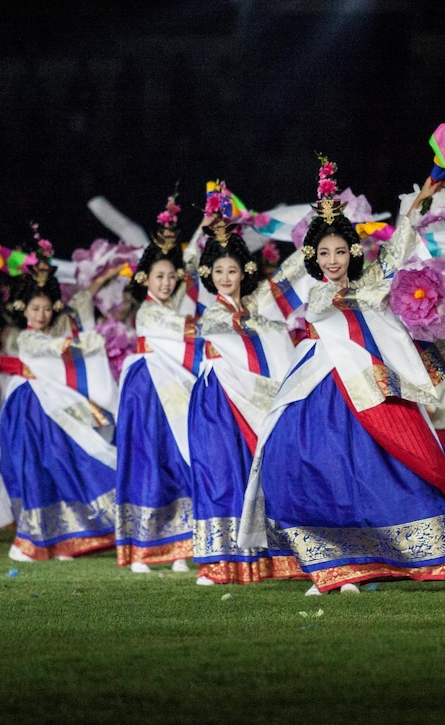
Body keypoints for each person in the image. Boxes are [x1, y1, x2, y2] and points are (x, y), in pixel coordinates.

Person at [242, 166, 445, 595]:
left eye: (339, 251)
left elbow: (394, 255)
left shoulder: (370, 281)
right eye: (323, 254)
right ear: (313, 259)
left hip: (363, 386)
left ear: (352, 252)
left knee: (371, 471)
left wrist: (412, 213)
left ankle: (361, 561)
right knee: (291, 459)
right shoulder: (317, 292)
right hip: (315, 381)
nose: (332, 260)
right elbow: (300, 295)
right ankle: (329, 560)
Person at [187, 200, 301, 586]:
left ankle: (267, 558)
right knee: (218, 475)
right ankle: (219, 563)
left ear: (244, 271)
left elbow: (292, 275)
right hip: (217, 400)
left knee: (256, 473)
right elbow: (178, 272)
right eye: (217, 270)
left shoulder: (259, 305)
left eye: (231, 269)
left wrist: (315, 231)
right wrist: (199, 230)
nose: (224, 276)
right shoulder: (210, 309)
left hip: (254, 399)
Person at [0, 236, 120, 561]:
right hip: (28, 408)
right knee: (32, 468)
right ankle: (35, 539)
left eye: (45, 308)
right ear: (24, 308)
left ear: (53, 308)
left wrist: (104, 279)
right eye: (34, 308)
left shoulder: (59, 327)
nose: (40, 313)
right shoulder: (24, 336)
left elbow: (82, 302)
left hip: (55, 408)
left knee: (62, 464)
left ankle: (70, 538)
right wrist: (63, 347)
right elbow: (42, 347)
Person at [114, 194, 198, 573]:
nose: (165, 283)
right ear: (145, 278)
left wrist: (202, 231)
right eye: (158, 276)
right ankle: (141, 549)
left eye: (171, 277)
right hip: (146, 391)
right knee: (147, 464)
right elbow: (185, 331)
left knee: (177, 462)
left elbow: (193, 263)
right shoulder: (150, 311)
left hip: (175, 389)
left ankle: (180, 546)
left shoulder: (173, 304)